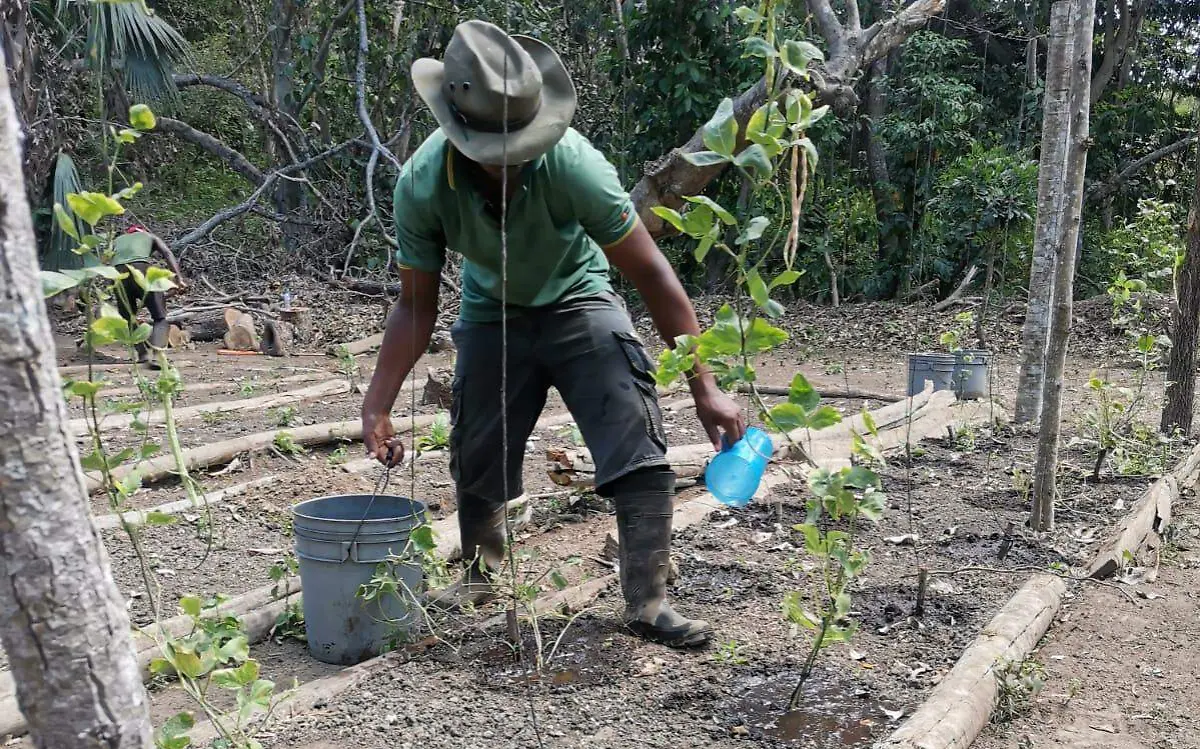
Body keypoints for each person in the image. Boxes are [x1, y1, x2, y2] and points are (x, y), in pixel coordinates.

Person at [361, 20, 745, 649]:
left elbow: (653, 275)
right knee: (476, 443)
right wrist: (377, 403)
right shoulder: (422, 185)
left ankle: (648, 599)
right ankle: (482, 572)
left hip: (579, 297)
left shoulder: (574, 164)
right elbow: (414, 305)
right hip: (491, 311)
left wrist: (706, 387)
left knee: (635, 431)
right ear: (461, 133)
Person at [111, 224, 186, 366]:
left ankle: (142, 354)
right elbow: (167, 253)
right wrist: (179, 279)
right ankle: (158, 356)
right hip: (141, 269)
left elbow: (107, 259)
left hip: (117, 273)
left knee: (128, 318)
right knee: (160, 318)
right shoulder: (149, 236)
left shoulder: (117, 241)